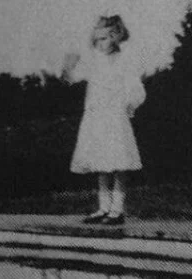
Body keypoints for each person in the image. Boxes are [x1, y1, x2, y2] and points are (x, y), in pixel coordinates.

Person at [62, 15, 146, 226]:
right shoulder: (94, 61)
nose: (100, 43)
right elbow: (72, 79)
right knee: (101, 164)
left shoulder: (124, 61)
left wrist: (131, 103)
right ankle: (103, 208)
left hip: (115, 117)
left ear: (116, 37)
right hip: (96, 116)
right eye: (97, 39)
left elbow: (136, 87)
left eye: (105, 38)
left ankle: (117, 210)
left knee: (118, 165)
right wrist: (68, 68)